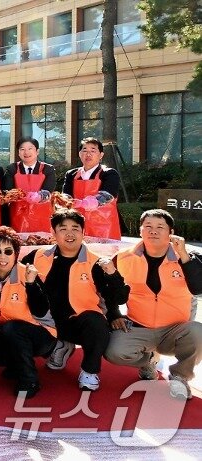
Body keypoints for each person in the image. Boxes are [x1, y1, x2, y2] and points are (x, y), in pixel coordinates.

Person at [20, 209, 130, 391]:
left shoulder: (97, 263)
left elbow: (116, 298)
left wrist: (114, 310)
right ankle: (58, 346)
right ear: (53, 233)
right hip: (44, 322)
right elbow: (16, 280)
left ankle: (89, 370)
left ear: (83, 232)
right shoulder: (36, 256)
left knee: (96, 323)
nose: (69, 233)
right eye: (63, 229)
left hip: (77, 322)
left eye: (75, 228)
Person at [105, 209, 202, 400]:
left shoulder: (188, 256)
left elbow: (198, 288)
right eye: (148, 226)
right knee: (113, 352)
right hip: (139, 326)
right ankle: (148, 360)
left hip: (176, 329)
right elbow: (107, 290)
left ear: (170, 232)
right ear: (140, 231)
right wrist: (115, 314)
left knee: (199, 332)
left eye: (160, 227)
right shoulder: (123, 257)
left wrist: (183, 255)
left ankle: (180, 377)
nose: (153, 231)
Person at [0, 226, 53, 397]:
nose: (2, 256)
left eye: (8, 251)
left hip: (41, 333)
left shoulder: (28, 273)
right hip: (9, 331)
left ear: (16, 253)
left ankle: (30, 379)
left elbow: (41, 311)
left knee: (12, 328)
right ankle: (15, 365)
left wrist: (31, 285)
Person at [60, 137, 122, 239]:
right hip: (77, 224)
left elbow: (108, 195)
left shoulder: (108, 173)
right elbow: (66, 196)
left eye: (93, 150)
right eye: (84, 150)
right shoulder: (71, 174)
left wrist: (87, 203)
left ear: (101, 155)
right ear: (80, 154)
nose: (88, 154)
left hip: (103, 226)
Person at [3, 137, 56, 233]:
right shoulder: (12, 169)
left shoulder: (48, 169)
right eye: (22, 149)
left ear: (37, 151)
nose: (26, 152)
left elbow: (49, 190)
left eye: (30, 148)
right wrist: (14, 195)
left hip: (42, 215)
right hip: (18, 215)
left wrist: (39, 196)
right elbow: (7, 190)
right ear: (18, 153)